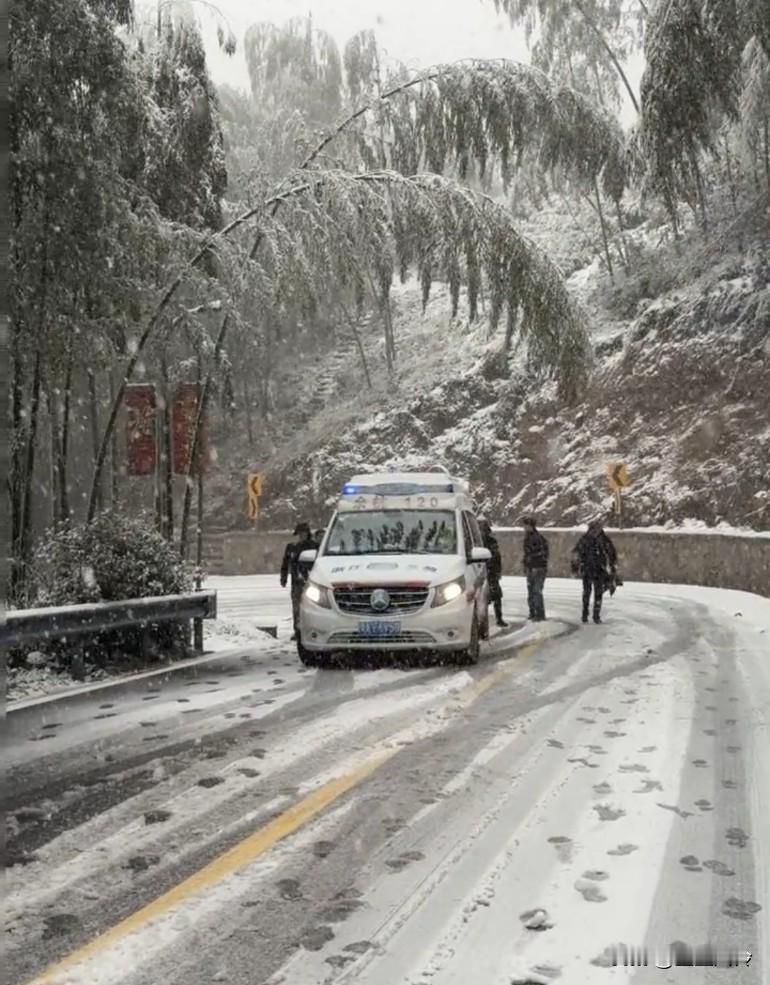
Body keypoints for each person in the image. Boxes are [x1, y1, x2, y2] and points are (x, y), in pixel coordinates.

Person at [571, 519, 618, 624]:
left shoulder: (588, 539)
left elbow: (576, 554)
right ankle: (592, 615)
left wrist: (576, 567)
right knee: (593, 593)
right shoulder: (601, 539)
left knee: (591, 593)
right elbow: (612, 554)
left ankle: (589, 614)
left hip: (593, 569)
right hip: (595, 569)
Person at [280, 522, 319, 640]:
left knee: (313, 607)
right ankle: (297, 630)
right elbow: (285, 564)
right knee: (296, 608)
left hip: (311, 582)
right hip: (296, 582)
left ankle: (313, 629)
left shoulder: (315, 546)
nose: (302, 536)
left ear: (308, 534)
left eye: (304, 533)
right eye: (300, 534)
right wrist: (284, 577)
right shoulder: (292, 547)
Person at [477, 516, 508, 628]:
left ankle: (498, 618)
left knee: (496, 596)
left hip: (491, 572)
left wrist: (497, 571)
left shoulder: (490, 541)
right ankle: (482, 622)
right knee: (481, 599)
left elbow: (496, 557)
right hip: (479, 571)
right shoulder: (474, 542)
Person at [522, 515, 549, 621]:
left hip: (537, 567)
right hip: (534, 567)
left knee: (535, 591)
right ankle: (535, 612)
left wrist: (530, 559)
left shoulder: (536, 538)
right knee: (533, 591)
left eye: (526, 525)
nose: (524, 528)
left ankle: (537, 613)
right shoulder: (531, 537)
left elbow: (541, 553)